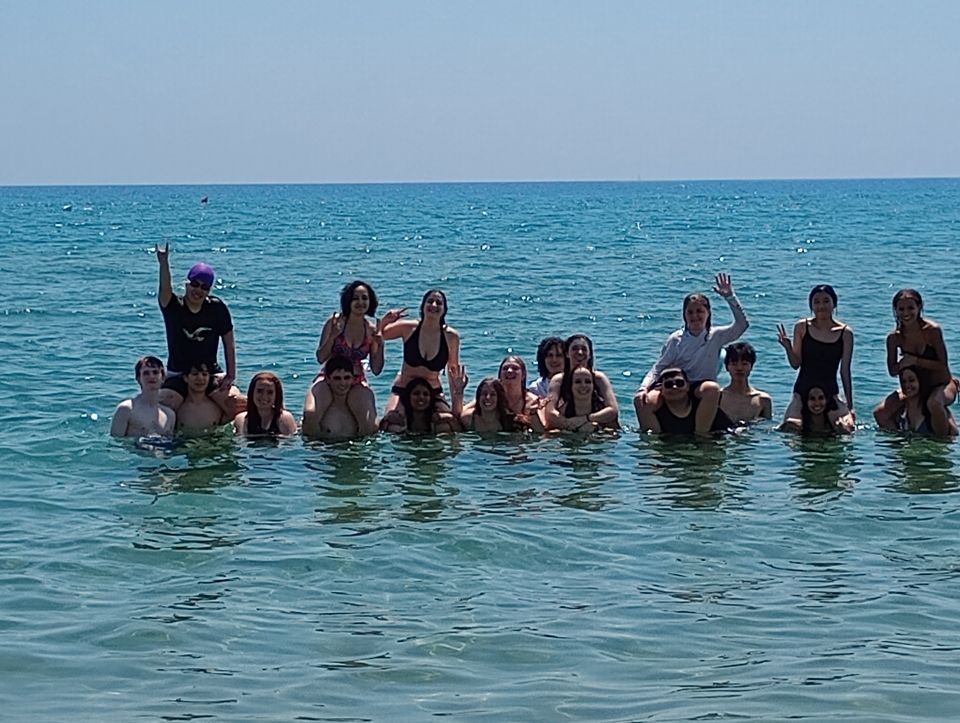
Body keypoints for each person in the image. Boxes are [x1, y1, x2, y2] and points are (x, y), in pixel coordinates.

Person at [633, 273, 749, 419]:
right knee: (643, 401)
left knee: (712, 389)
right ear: (684, 315)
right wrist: (644, 387)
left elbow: (742, 325)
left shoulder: (716, 336)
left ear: (708, 313)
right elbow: (659, 367)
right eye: (690, 312)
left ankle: (702, 435)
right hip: (677, 385)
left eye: (699, 311)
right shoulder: (676, 339)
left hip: (700, 388)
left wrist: (730, 297)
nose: (695, 316)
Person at [155, 242, 239, 414]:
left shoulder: (217, 308)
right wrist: (163, 263)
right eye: (195, 283)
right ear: (187, 284)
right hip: (178, 373)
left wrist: (230, 375)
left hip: (210, 373)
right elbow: (165, 288)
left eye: (204, 287)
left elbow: (229, 342)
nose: (198, 290)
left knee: (235, 404)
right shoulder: (173, 307)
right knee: (166, 405)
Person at [311, 280, 398, 432]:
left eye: (364, 298)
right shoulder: (334, 323)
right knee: (310, 414)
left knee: (369, 426)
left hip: (357, 379)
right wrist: (333, 336)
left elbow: (376, 369)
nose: (360, 302)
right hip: (329, 377)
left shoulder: (370, 330)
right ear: (348, 301)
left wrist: (380, 344)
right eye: (355, 298)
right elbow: (320, 357)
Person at [875, 288, 958, 437]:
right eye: (901, 309)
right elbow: (893, 371)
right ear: (895, 311)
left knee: (934, 403)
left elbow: (942, 365)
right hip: (915, 386)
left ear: (919, 307)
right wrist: (903, 363)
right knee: (880, 412)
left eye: (911, 308)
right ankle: (903, 440)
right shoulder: (894, 338)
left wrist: (915, 361)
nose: (906, 313)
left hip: (942, 385)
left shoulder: (932, 330)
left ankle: (940, 444)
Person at [776, 284, 854, 424]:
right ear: (811, 305)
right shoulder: (802, 327)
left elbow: (845, 371)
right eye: (816, 302)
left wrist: (850, 405)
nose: (821, 306)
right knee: (792, 425)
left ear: (834, 303)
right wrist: (788, 347)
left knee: (845, 427)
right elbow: (795, 364)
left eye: (826, 301)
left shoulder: (845, 333)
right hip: (802, 391)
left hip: (830, 390)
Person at [381, 288, 462, 410]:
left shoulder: (451, 336)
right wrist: (385, 320)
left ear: (444, 310)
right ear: (423, 306)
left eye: (439, 303)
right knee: (393, 423)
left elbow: (453, 372)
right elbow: (380, 335)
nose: (434, 305)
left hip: (433, 391)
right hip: (403, 388)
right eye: (430, 301)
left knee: (445, 423)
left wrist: (457, 404)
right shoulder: (409, 328)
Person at [543, 334, 620, 430]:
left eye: (584, 349)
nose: (580, 352)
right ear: (567, 353)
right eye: (575, 348)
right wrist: (570, 425)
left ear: (590, 354)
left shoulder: (599, 378)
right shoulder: (558, 380)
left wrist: (586, 419)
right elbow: (550, 412)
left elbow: (613, 410)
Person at [637, 368, 730, 436]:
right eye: (669, 385)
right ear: (662, 390)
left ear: (688, 386)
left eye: (679, 383)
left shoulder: (703, 408)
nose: (674, 387)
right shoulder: (657, 411)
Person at [303, 356, 378, 440]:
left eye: (347, 378)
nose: (342, 383)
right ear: (328, 379)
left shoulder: (361, 410)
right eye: (337, 378)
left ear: (353, 379)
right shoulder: (322, 412)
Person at [874, 365, 958, 436]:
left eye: (911, 380)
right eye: (903, 381)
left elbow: (947, 439)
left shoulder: (932, 409)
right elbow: (880, 415)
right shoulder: (900, 412)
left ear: (921, 381)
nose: (907, 385)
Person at [110, 356, 176, 437]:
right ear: (138, 379)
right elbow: (115, 443)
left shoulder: (169, 415)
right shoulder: (126, 409)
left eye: (155, 372)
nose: (151, 376)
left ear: (162, 378)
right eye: (146, 373)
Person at [546, 366, 621, 433]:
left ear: (593, 386)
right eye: (578, 382)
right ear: (571, 386)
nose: (583, 385)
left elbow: (615, 435)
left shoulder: (603, 413)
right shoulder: (563, 413)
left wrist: (597, 431)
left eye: (588, 382)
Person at [379, 377, 459, 435]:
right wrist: (386, 418)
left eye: (425, 394)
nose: (421, 397)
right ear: (408, 397)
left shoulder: (438, 423)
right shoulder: (399, 422)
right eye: (416, 393)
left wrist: (451, 417)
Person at [719, 342, 773, 423]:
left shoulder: (763, 400)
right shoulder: (718, 397)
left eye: (744, 364)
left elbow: (766, 429)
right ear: (727, 367)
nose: (739, 368)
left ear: (751, 366)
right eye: (734, 364)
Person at [234, 371, 297, 437]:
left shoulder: (284, 418)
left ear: (276, 395)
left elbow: (290, 444)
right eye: (259, 391)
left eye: (270, 392)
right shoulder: (242, 419)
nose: (264, 396)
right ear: (252, 392)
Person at [176, 361, 232, 434]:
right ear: (185, 378)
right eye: (195, 374)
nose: (200, 378)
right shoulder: (178, 407)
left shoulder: (218, 407)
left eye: (204, 374)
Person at [457, 377, 525, 432]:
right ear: (478, 397)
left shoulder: (511, 422)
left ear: (499, 398)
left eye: (493, 394)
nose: (488, 397)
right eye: (484, 394)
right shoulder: (467, 419)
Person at [780, 384, 854, 436]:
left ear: (826, 400)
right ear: (806, 402)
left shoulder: (836, 425)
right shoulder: (798, 425)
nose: (817, 403)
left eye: (821, 398)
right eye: (812, 399)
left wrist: (843, 430)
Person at [497, 355, 542, 429]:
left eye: (515, 368)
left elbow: (541, 431)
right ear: (500, 375)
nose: (509, 371)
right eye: (505, 368)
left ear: (523, 375)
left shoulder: (532, 401)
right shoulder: (493, 397)